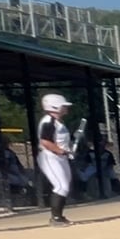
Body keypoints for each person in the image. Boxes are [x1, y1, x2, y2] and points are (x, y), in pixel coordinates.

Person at [35, 93, 76, 224]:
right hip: (49, 156)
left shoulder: (58, 122)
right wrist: (61, 151)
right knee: (61, 186)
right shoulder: (48, 121)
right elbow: (45, 142)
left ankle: (60, 216)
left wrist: (67, 150)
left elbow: (60, 141)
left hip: (60, 157)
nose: (65, 108)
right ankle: (56, 218)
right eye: (63, 106)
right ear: (54, 106)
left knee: (65, 186)